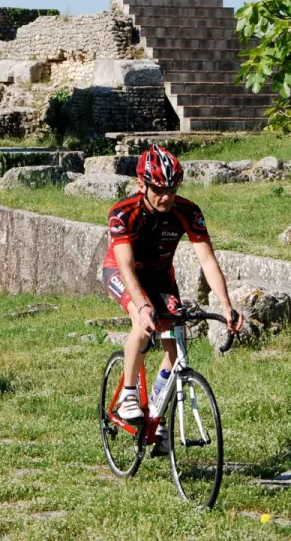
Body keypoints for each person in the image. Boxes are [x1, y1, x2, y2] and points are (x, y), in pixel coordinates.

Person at [102, 144, 244, 453]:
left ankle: (157, 413)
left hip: (160, 277)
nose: (166, 196)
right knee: (143, 323)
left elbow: (207, 260)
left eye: (172, 189)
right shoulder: (123, 213)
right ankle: (128, 392)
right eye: (159, 190)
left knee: (176, 345)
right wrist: (140, 306)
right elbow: (124, 265)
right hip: (121, 272)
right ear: (142, 184)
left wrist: (226, 305)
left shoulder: (187, 212)